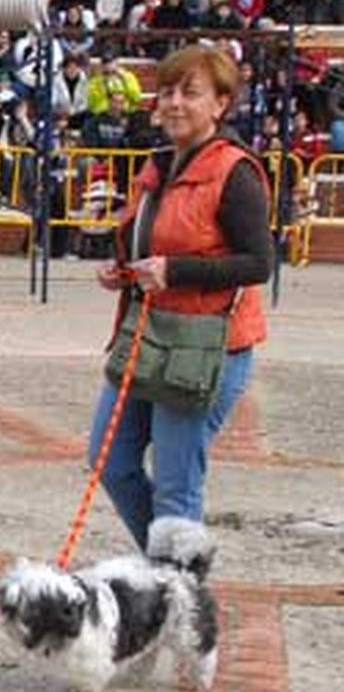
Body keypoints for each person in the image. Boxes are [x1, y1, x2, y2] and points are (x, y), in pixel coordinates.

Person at [88, 45, 274, 555]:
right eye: (167, 92)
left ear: (220, 104)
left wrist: (175, 272)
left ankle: (178, 584)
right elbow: (149, 239)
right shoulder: (158, 165)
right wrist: (125, 270)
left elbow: (258, 263)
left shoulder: (234, 171)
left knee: (175, 485)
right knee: (111, 460)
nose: (173, 103)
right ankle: (172, 569)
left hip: (204, 347)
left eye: (189, 93)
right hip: (148, 335)